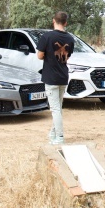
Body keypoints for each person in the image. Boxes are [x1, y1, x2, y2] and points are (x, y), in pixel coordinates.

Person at [36, 11, 75, 145]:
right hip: (63, 76)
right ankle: (53, 134)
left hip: (51, 77)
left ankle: (60, 137)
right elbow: (67, 57)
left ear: (54, 21)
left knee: (55, 109)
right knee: (57, 108)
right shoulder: (70, 38)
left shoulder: (46, 37)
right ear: (65, 23)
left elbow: (39, 56)